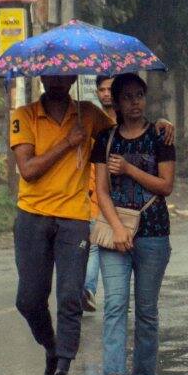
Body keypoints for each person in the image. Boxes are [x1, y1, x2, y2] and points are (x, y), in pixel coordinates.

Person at [10, 74, 115, 375]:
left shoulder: (88, 113)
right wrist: (68, 143)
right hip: (32, 215)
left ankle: (62, 371)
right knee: (28, 299)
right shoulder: (24, 116)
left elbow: (122, 134)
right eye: (50, 74)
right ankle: (52, 347)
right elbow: (28, 169)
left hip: (73, 218)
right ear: (41, 76)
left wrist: (161, 126)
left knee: (71, 296)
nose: (57, 80)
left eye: (63, 74)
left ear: (71, 77)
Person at [91, 73, 176, 375]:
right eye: (127, 97)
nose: (135, 102)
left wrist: (128, 169)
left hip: (153, 231)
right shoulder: (105, 139)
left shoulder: (160, 136)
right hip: (116, 232)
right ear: (116, 101)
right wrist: (116, 228)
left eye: (139, 95)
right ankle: (113, 373)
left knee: (146, 308)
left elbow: (165, 186)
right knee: (114, 303)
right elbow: (101, 191)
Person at [82, 76, 116, 313]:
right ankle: (88, 289)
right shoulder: (91, 119)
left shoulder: (126, 121)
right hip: (94, 191)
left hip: (123, 195)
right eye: (101, 89)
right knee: (94, 244)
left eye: (110, 89)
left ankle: (116, 298)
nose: (105, 93)